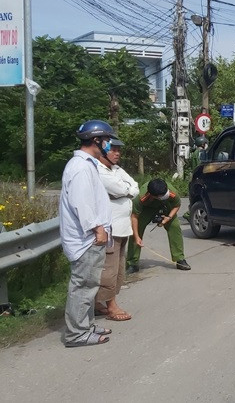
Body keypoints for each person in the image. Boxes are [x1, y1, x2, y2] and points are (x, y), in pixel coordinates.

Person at [59, 120, 115, 347]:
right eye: (107, 140)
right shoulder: (81, 167)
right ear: (96, 140)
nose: (110, 144)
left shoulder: (86, 164)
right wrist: (97, 229)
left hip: (89, 236)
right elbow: (82, 204)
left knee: (90, 285)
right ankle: (76, 334)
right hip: (87, 238)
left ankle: (86, 325)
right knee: (83, 286)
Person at [95, 138, 139, 321]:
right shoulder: (98, 170)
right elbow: (119, 188)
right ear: (102, 150)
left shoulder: (117, 170)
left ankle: (98, 303)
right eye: (113, 149)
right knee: (109, 269)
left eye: (118, 149)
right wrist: (125, 189)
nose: (117, 153)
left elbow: (134, 187)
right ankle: (111, 306)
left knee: (119, 268)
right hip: (110, 226)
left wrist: (126, 189)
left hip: (123, 227)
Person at [127, 178, 191, 273]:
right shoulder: (140, 197)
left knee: (175, 227)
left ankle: (180, 259)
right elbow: (134, 217)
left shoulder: (172, 192)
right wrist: (137, 237)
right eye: (161, 196)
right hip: (147, 209)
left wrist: (168, 218)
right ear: (152, 195)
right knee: (136, 230)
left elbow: (177, 205)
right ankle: (132, 263)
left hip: (166, 207)